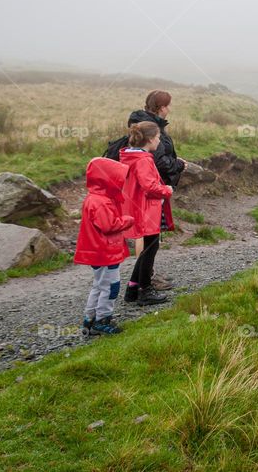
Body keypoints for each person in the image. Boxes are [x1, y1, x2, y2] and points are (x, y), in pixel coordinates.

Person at [128, 90, 185, 291]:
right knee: (149, 237)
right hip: (151, 194)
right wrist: (177, 166)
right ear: (161, 107)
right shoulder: (152, 130)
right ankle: (144, 282)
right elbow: (159, 162)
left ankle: (140, 281)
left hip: (146, 192)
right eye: (167, 105)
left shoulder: (142, 123)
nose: (170, 109)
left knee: (147, 237)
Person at [74, 157, 134, 335]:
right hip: (105, 251)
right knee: (111, 285)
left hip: (100, 251)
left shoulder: (96, 198)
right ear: (107, 179)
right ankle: (103, 319)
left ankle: (90, 318)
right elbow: (108, 225)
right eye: (117, 179)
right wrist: (127, 220)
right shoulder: (101, 202)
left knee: (99, 285)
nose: (120, 183)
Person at [120, 121, 175, 306]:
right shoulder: (143, 160)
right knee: (150, 249)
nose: (160, 140)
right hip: (147, 209)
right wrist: (166, 189)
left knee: (148, 248)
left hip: (138, 207)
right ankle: (145, 291)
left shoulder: (130, 157)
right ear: (150, 139)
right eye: (158, 137)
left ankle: (132, 289)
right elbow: (149, 186)